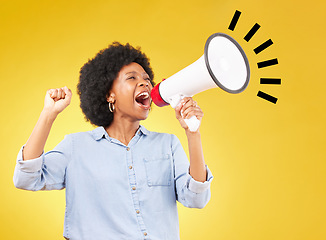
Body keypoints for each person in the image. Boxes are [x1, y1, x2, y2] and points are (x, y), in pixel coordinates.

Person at [13, 42, 213, 240]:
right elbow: (26, 178)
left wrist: (192, 133)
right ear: (110, 95)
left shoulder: (167, 144)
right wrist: (48, 114)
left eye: (146, 78)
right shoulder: (76, 147)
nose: (144, 83)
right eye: (132, 78)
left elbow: (196, 198)